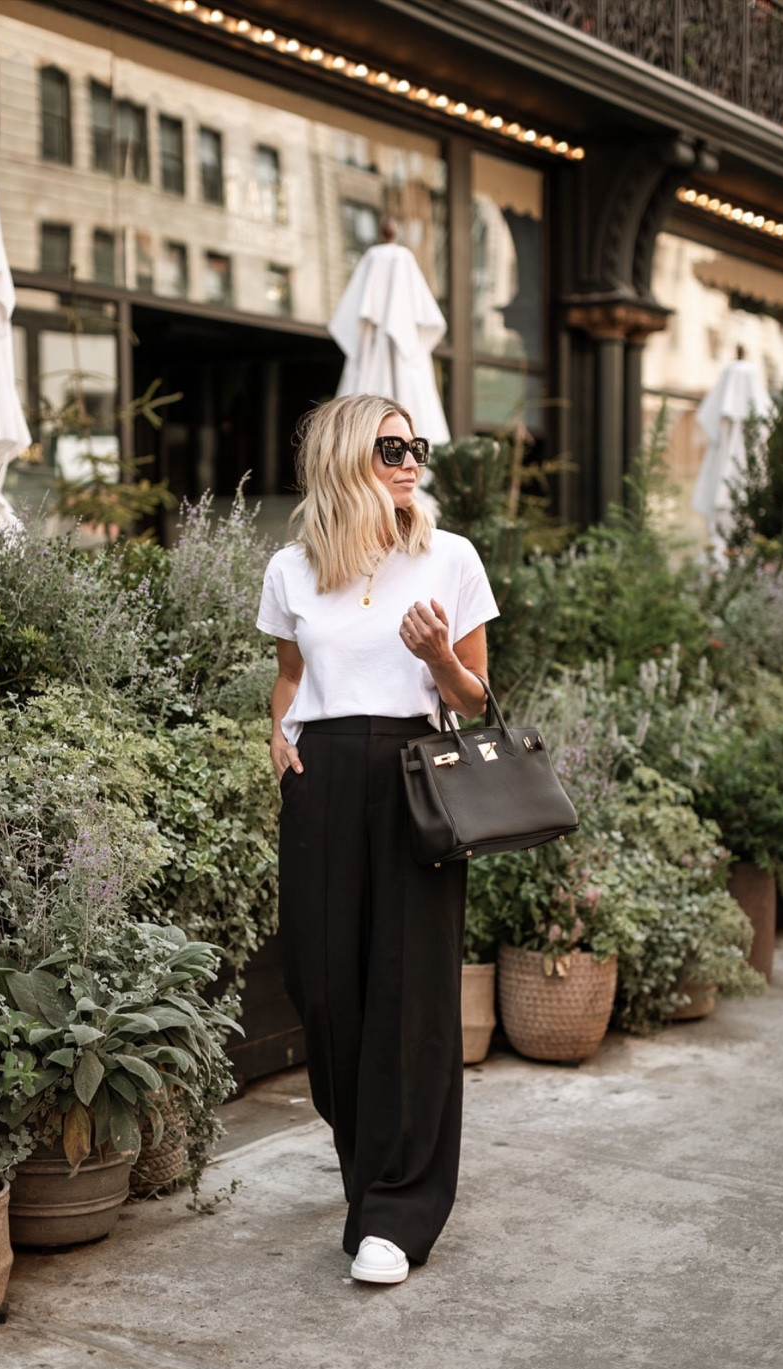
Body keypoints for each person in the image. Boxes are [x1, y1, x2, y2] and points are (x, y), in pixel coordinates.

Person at [256, 393, 499, 1285]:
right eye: (390, 446)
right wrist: (278, 736)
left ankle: (397, 1210)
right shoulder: (290, 568)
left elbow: (476, 695)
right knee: (323, 988)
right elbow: (289, 677)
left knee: (410, 991)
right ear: (346, 458)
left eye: (415, 446)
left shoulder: (449, 556)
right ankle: (368, 1175)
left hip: (413, 774)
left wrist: (438, 659)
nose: (409, 461)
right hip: (320, 781)